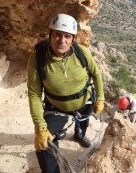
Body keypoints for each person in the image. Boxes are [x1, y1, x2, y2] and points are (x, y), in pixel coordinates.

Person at [27, 13, 105, 173]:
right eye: (57, 34)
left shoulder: (82, 53)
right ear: (50, 35)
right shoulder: (38, 60)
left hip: (84, 102)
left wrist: (101, 98)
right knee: (43, 145)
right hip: (57, 107)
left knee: (83, 121)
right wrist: (40, 127)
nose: (62, 41)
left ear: (73, 39)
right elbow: (34, 95)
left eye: (67, 36)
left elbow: (96, 74)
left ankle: (79, 133)